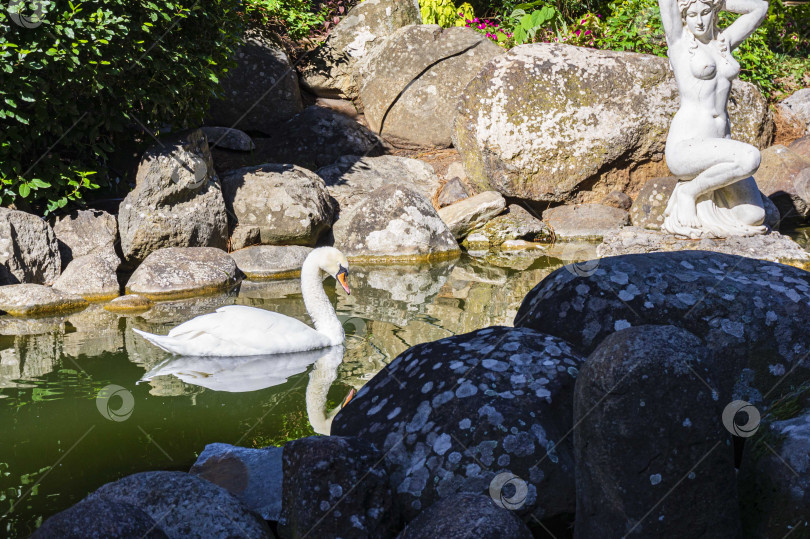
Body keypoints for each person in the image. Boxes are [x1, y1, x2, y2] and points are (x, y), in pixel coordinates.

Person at [658, 0, 770, 238]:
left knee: (753, 217)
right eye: (692, 14)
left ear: (714, 12)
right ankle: (689, 193)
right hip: (687, 146)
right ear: (683, 17)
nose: (699, 21)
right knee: (750, 158)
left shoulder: (723, 42)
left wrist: (717, 1)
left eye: (706, 12)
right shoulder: (678, 42)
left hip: (719, 147)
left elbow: (759, 7)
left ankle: (704, 196)